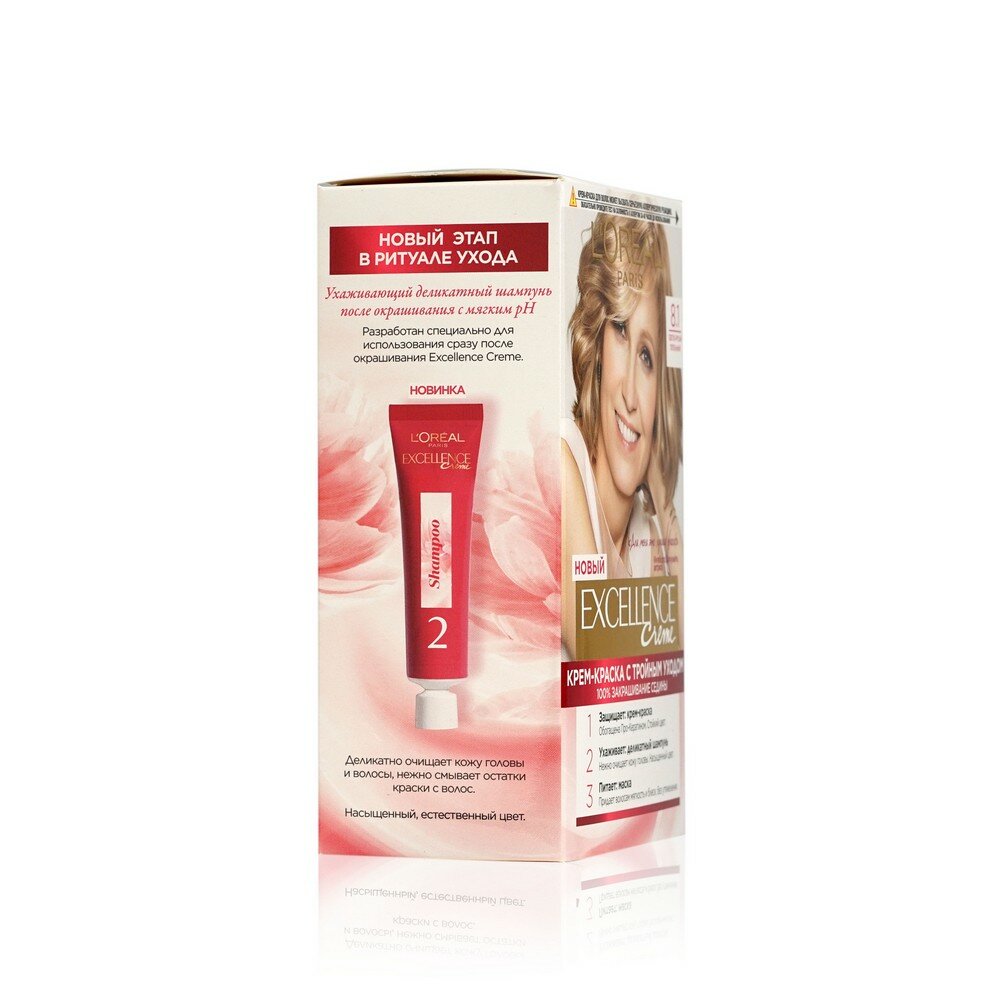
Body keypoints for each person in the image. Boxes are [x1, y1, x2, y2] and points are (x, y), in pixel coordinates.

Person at [561, 214, 683, 656]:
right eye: (619, 329)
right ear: (596, 340)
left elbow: (676, 654)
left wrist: (665, 503)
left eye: (647, 357)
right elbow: (598, 655)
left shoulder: (648, 533)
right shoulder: (561, 463)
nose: (631, 393)